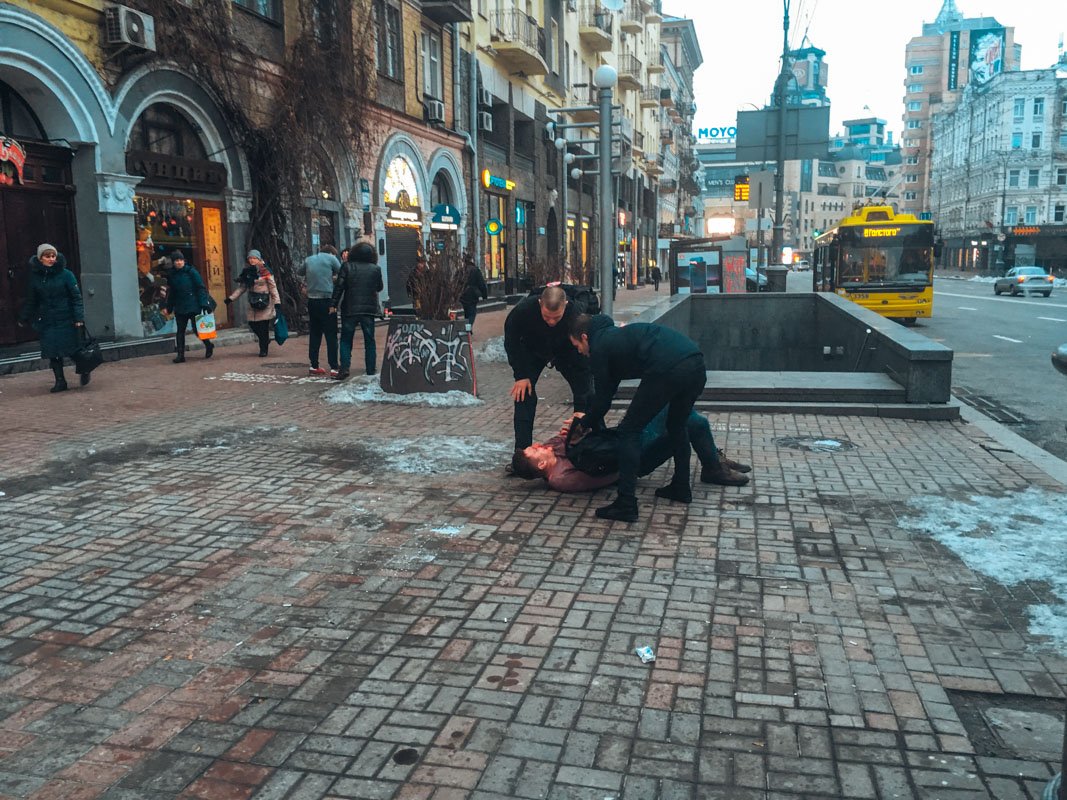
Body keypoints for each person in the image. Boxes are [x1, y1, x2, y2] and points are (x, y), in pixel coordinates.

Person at [569, 313, 707, 522]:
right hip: (695, 363)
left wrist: (582, 426)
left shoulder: (599, 349)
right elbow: (604, 397)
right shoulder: (613, 338)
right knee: (677, 424)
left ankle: (626, 503)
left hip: (668, 368)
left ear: (585, 337)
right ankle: (681, 486)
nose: (579, 352)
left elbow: (603, 401)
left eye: (577, 345)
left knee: (629, 430)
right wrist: (589, 419)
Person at [511, 410, 750, 492]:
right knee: (687, 420)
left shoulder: (553, 447)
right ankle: (712, 464)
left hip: (624, 440)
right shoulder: (562, 479)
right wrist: (631, 459)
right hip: (637, 458)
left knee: (678, 409)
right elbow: (604, 478)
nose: (539, 445)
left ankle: (712, 462)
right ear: (541, 465)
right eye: (535, 450)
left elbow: (576, 432)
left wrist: (580, 421)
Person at [504, 285, 592, 464]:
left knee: (586, 398)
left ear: (565, 305)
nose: (551, 322)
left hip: (568, 353)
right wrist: (520, 375)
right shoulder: (522, 311)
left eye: (556, 317)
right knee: (523, 395)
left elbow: (585, 356)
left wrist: (583, 407)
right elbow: (511, 342)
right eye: (546, 317)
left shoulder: (576, 311)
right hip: (533, 352)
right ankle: (521, 454)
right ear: (539, 304)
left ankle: (586, 452)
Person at [19, 244, 87, 393]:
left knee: (72, 349)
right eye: (47, 256)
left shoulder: (66, 275)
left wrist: (78, 318)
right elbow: (32, 300)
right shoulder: (36, 278)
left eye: (53, 256)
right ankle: (60, 381)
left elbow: (76, 297)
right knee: (53, 352)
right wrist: (24, 317)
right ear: (40, 258)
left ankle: (84, 369)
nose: (51, 259)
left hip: (66, 318)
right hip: (47, 320)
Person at [331, 241, 383, 379]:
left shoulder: (347, 267)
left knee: (346, 339)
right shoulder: (375, 269)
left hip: (350, 308)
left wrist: (333, 304)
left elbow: (339, 287)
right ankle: (370, 369)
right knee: (369, 340)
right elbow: (379, 287)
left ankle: (344, 368)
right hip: (368, 309)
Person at [226, 249, 280, 357]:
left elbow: (273, 287)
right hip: (253, 302)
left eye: (254, 258)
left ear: (259, 259)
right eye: (250, 258)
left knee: (263, 326)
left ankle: (263, 350)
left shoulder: (265, 271)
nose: (252, 260)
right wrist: (231, 298)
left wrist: (277, 302)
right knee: (252, 324)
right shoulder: (247, 272)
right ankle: (265, 340)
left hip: (264, 302)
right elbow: (242, 288)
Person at [164, 251, 215, 363]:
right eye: (176, 260)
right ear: (173, 262)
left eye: (181, 260)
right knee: (180, 331)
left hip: (193, 305)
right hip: (180, 306)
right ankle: (180, 355)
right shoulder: (172, 275)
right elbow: (172, 292)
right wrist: (169, 307)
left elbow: (200, 288)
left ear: (184, 261)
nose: (179, 262)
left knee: (197, 329)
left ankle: (208, 344)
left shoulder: (191, 272)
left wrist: (203, 304)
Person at [298, 244, 341, 376]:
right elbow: (342, 273)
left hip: (312, 301)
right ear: (331, 253)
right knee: (331, 334)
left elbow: (300, 273)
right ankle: (334, 367)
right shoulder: (331, 258)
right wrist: (332, 279)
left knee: (315, 333)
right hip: (327, 301)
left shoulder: (309, 259)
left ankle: (314, 365)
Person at [459, 256, 488, 332]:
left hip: (463, 294)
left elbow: (456, 282)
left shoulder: (461, 271)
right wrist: (484, 295)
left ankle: (467, 327)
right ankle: (468, 328)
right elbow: (481, 283)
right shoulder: (475, 270)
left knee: (466, 311)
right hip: (472, 294)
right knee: (472, 312)